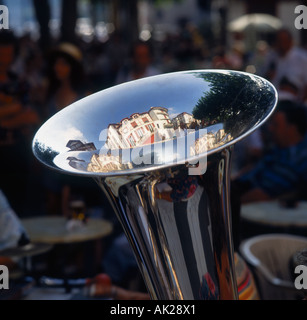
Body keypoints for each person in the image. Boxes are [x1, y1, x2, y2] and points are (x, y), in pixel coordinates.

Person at [233, 100, 307, 204]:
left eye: (276, 125)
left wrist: (227, 203)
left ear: (292, 129)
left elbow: (261, 195)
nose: (270, 128)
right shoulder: (279, 149)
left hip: (249, 209)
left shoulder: (293, 158)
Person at [0, 30, 40, 216]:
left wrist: (5, 119)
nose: (4, 59)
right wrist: (15, 109)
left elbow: (31, 116)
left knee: (18, 207)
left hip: (17, 152)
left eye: (8, 54)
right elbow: (22, 112)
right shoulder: (18, 86)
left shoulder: (20, 83)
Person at [262, 28, 307, 103]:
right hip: (273, 98)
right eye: (279, 41)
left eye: (284, 41)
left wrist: (300, 101)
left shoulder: (302, 58)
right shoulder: (271, 57)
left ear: (290, 41)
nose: (281, 44)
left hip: (292, 102)